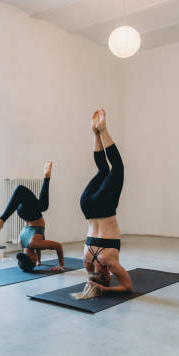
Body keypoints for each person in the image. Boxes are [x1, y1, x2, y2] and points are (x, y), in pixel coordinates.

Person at [75, 109, 132, 299]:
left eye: (108, 276)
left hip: (104, 208)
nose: (111, 273)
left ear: (107, 275)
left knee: (118, 168)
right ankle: (96, 133)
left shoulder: (110, 261)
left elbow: (127, 287)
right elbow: (92, 277)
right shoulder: (87, 261)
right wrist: (93, 284)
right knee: (103, 170)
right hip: (87, 207)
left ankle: (103, 129)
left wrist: (105, 290)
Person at [0, 161, 65, 272]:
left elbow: (58, 246)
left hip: (32, 214)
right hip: (22, 213)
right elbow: (37, 245)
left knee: (23, 191)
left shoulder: (34, 243)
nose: (35, 262)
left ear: (31, 259)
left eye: (34, 262)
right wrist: (39, 261)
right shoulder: (21, 242)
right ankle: (46, 177)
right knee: (42, 205)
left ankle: (1, 220)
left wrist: (61, 265)